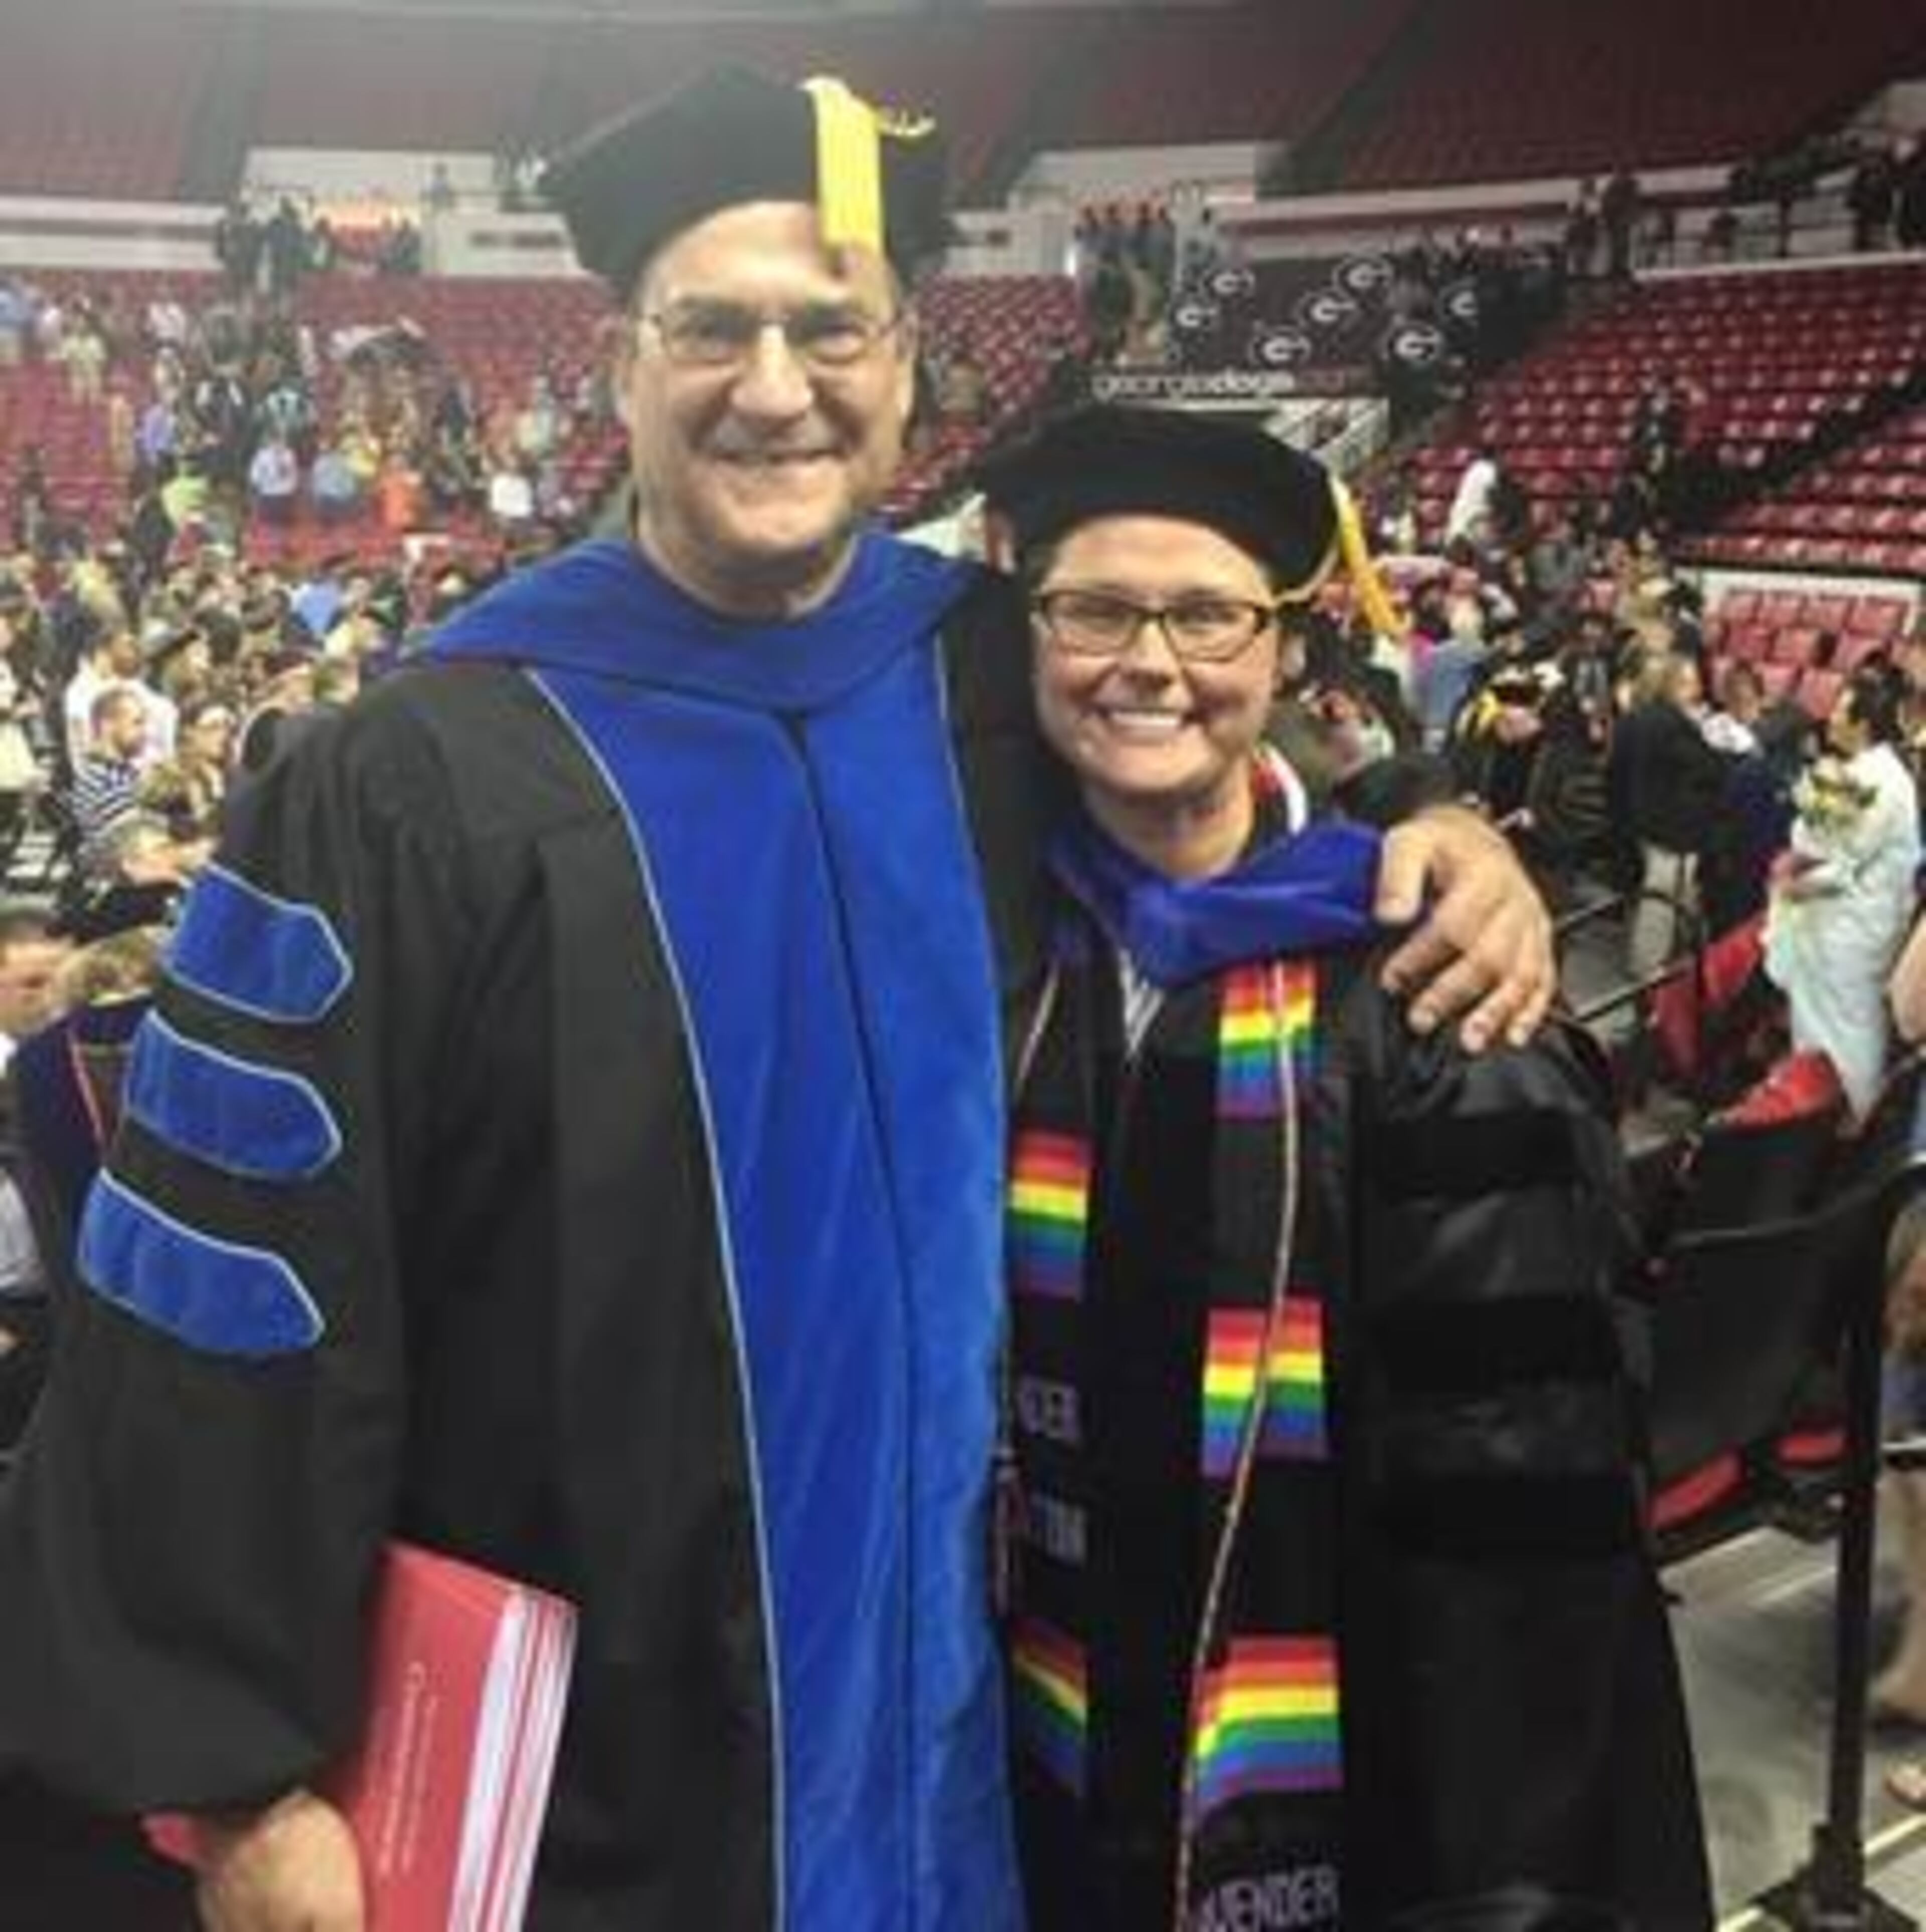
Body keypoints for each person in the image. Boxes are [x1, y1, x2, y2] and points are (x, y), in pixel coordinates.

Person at [0, 70, 1553, 1932]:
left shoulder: (982, 682)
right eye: (712, 328)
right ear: (620, 363)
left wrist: (1432, 821)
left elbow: (1208, 790)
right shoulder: (408, 778)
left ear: (908, 372)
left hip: (967, 1732)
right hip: (585, 1783)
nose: (774, 384)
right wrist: (242, 1777)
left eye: (832, 330)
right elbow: (233, 1281)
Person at [975, 406, 1709, 1930]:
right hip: (1035, 1722)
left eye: (1209, 616)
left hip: (1348, 1767)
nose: (1150, 663)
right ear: (1030, 636)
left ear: (1289, 652)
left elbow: (1527, 1528)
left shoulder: (1433, 993)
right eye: (1095, 609)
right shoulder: (982, 947)